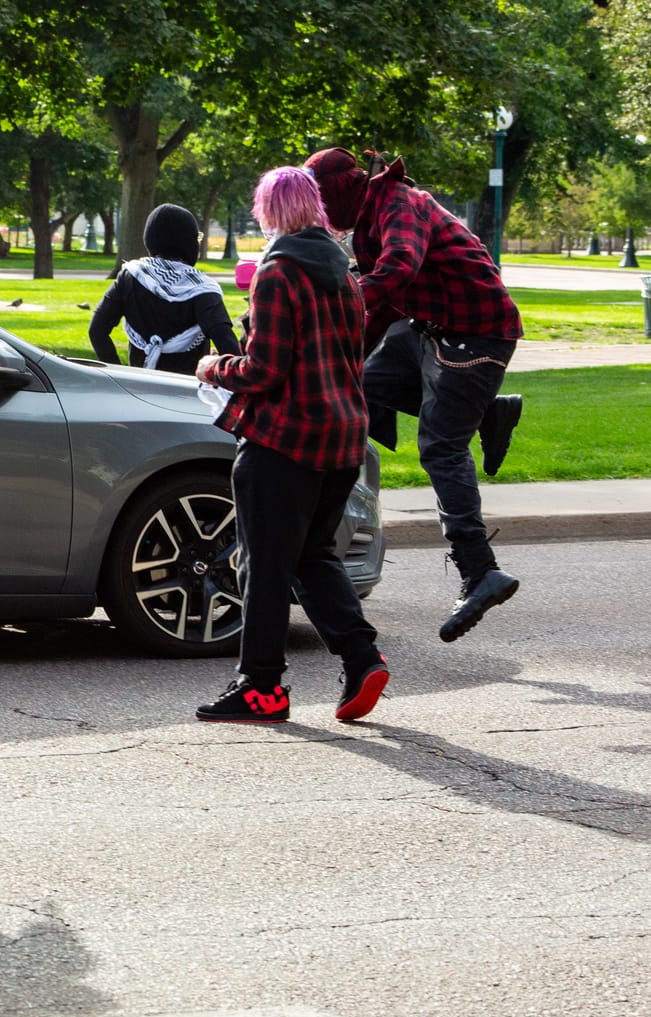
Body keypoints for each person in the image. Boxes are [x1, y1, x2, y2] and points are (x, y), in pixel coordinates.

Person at [193, 167, 387, 725]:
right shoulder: (344, 272)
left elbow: (264, 369)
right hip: (344, 436)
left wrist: (214, 366)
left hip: (285, 440)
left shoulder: (278, 272)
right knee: (314, 554)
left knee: (265, 566)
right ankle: (361, 656)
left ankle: (260, 687)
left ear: (269, 210)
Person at [306, 147, 524, 642]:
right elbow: (380, 311)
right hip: (428, 328)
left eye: (322, 205)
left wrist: (343, 300)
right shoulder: (367, 218)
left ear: (340, 193)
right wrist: (337, 350)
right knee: (358, 381)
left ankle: (479, 570)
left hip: (478, 332)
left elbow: (400, 264)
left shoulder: (396, 202)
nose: (324, 219)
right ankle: (487, 415)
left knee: (442, 445)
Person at [89, 204, 238, 373]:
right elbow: (228, 347)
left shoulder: (130, 276)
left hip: (139, 387)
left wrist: (118, 374)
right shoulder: (202, 290)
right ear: (187, 242)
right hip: (186, 391)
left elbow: (97, 330)